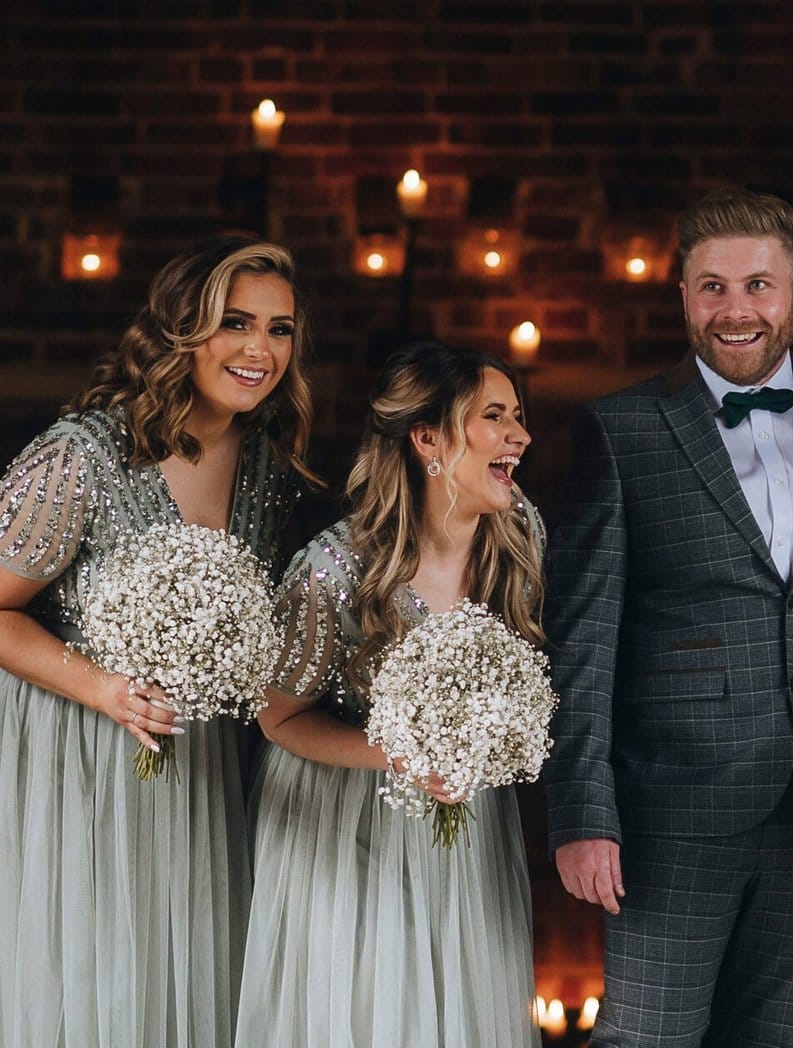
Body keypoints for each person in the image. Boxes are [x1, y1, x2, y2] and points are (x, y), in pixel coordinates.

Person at [543, 186, 793, 1048]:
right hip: (671, 807)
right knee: (647, 1033)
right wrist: (582, 812)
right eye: (712, 287)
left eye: (758, 284)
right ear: (682, 297)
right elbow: (584, 636)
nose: (735, 309)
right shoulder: (622, 429)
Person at [0, 237, 313, 1046]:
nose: (260, 349)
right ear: (180, 330)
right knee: (93, 979)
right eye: (235, 323)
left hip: (195, 762)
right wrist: (105, 689)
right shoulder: (85, 454)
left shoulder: (268, 470)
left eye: (280, 329)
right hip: (78, 752)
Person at [236, 342, 544, 1046]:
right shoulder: (334, 571)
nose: (519, 437)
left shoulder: (519, 540)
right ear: (428, 438)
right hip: (344, 825)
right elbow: (277, 717)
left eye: (518, 417)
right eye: (494, 417)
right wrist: (400, 755)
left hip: (466, 827)